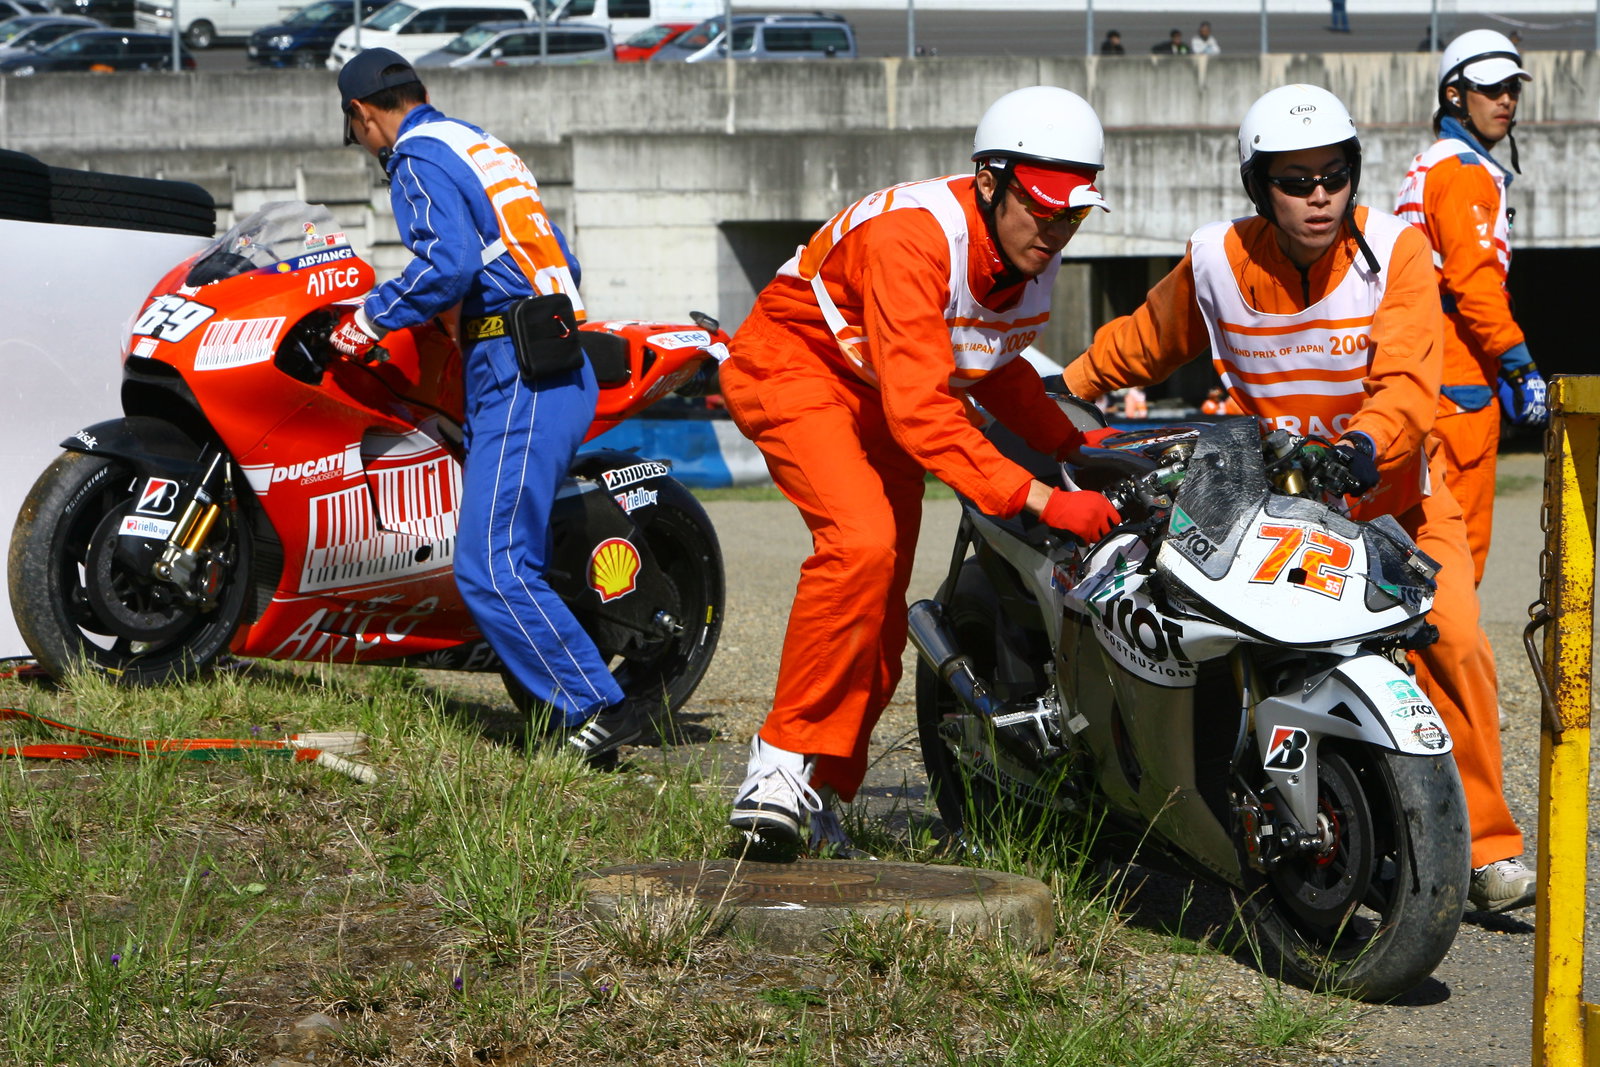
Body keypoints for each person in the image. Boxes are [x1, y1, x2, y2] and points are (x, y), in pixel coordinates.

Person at [1062, 83, 1534, 913]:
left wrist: (1357, 449)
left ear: (1354, 174)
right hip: (1264, 508)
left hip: (1392, 501)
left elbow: (1406, 383)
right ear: (1259, 188)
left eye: (1333, 176)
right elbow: (1135, 345)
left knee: (1456, 643)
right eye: (1294, 180)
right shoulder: (1215, 260)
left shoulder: (1399, 253)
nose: (1318, 196)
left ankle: (1487, 850)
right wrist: (1050, 406)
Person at [719, 86, 1121, 850]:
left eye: (1072, 213)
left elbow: (992, 365)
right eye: (1040, 205)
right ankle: (775, 761)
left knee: (879, 611)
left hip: (882, 392)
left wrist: (1074, 443)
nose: (1055, 228)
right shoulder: (913, 238)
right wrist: (1039, 495)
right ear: (989, 180)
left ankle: (816, 791)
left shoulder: (1033, 255)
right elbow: (925, 414)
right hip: (796, 366)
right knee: (859, 545)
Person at [332, 48, 646, 765]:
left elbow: (448, 262)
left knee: (490, 563)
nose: (368, 147)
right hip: (545, 354)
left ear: (363, 114)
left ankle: (597, 707)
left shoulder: (413, 157)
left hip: (519, 370)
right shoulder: (479, 145)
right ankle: (577, 713)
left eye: (360, 134)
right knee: (510, 555)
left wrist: (373, 317)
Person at [1396, 30, 1545, 587]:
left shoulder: (1430, 164)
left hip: (1429, 372)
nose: (1505, 99)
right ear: (1455, 95)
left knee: (1424, 546)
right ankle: (1440, 677)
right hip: (1459, 386)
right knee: (1459, 553)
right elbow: (1475, 284)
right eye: (1491, 89)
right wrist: (1520, 365)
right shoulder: (1464, 172)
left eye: (1512, 88)